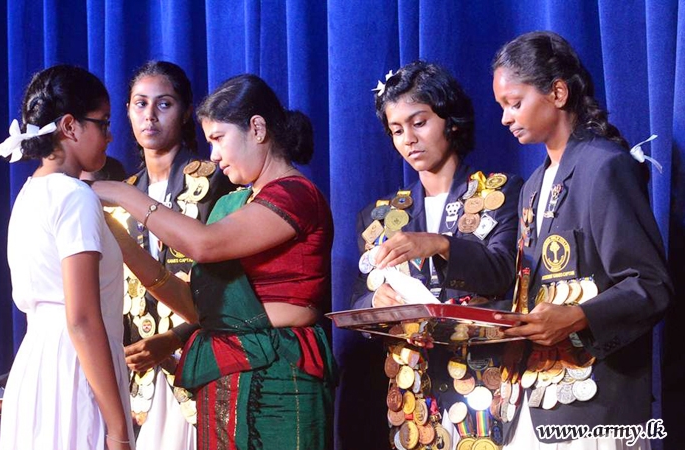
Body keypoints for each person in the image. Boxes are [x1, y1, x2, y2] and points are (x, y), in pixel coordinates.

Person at [93, 74, 336, 450]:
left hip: (281, 377)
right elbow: (199, 308)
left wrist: (122, 194)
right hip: (226, 374)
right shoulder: (231, 204)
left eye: (219, 139)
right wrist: (121, 240)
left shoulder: (297, 195)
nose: (214, 156)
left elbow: (203, 246)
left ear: (257, 129)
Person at [491, 31, 672, 449]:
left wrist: (577, 316)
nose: (504, 118)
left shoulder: (605, 166)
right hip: (533, 404)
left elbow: (650, 285)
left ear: (557, 93)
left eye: (514, 103)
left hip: (597, 409)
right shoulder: (531, 186)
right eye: (502, 107)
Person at [351, 60, 522, 448]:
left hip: (485, 383)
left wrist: (442, 244)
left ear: (451, 122)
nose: (409, 139)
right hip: (415, 398)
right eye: (397, 130)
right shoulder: (380, 215)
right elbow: (359, 299)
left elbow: (503, 274)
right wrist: (375, 302)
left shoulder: (501, 193)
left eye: (419, 122)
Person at [0, 65, 134, 450]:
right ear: (70, 126)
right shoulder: (75, 197)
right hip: (76, 370)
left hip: (37, 368)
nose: (110, 136)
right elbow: (82, 319)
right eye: (103, 123)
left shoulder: (29, 193)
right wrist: (118, 429)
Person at [115, 61, 233, 450]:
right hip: (146, 378)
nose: (150, 115)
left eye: (163, 104)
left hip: (209, 360)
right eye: (140, 104)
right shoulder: (121, 196)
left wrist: (176, 337)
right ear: (128, 111)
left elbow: (234, 287)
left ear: (185, 113)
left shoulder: (217, 180)